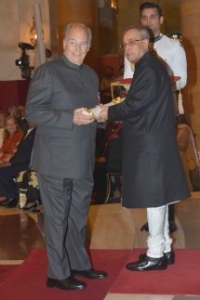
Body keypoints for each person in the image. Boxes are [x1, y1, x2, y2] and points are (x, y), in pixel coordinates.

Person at [95, 25, 190, 271]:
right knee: (160, 197)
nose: (128, 48)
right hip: (155, 140)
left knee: (155, 199)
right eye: (125, 44)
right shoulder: (151, 67)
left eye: (133, 42)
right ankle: (165, 248)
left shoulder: (148, 69)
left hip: (150, 144)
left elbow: (133, 106)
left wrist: (106, 111)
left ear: (146, 43)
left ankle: (156, 253)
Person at [25, 22, 107, 291]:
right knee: (58, 218)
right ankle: (57, 273)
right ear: (64, 44)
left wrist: (101, 115)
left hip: (83, 157)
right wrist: (68, 117)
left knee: (78, 217)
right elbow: (33, 113)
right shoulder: (48, 72)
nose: (78, 48)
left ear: (89, 46)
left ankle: (80, 263)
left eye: (84, 43)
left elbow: (91, 112)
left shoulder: (92, 75)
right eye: (74, 42)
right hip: (56, 159)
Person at [125, 1, 188, 233]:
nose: (148, 21)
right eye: (144, 17)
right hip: (141, 112)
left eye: (153, 17)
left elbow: (183, 80)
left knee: (164, 164)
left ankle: (167, 217)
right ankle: (155, 216)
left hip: (165, 111)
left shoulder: (174, 47)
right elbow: (126, 79)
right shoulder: (133, 45)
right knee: (146, 165)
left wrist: (159, 81)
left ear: (161, 20)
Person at [0, 123, 36, 208]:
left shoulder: (35, 133)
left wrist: (10, 163)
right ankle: (9, 196)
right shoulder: (27, 132)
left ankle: (11, 197)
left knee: (2, 171)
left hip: (25, 164)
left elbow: (27, 155)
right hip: (18, 162)